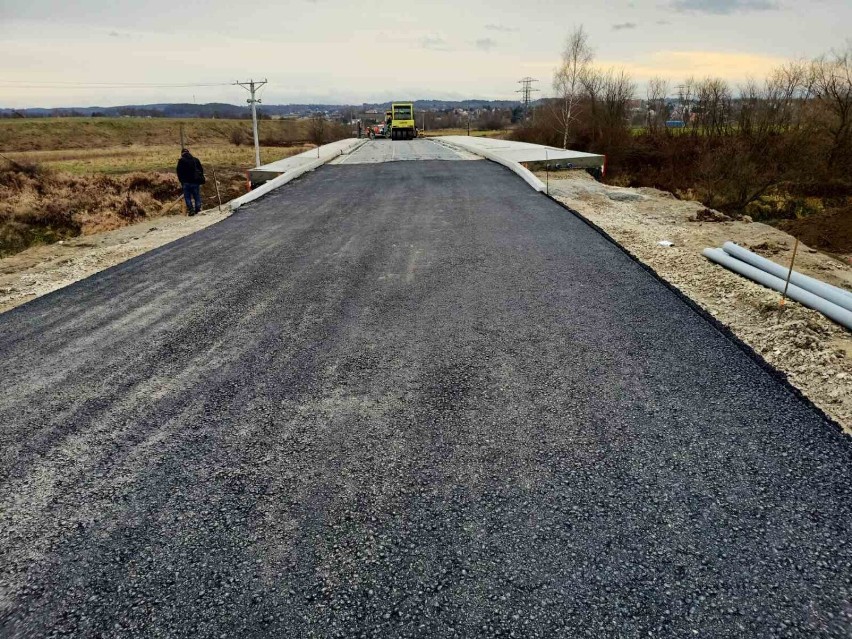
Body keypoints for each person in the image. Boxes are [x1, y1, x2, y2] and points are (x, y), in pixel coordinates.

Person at [176, 148, 205, 215]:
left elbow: (179, 172)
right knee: (197, 196)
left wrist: (181, 181)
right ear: (189, 153)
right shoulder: (195, 160)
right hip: (195, 182)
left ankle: (191, 210)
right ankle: (198, 209)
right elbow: (201, 170)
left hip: (186, 182)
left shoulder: (181, 161)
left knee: (187, 197)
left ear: (182, 154)